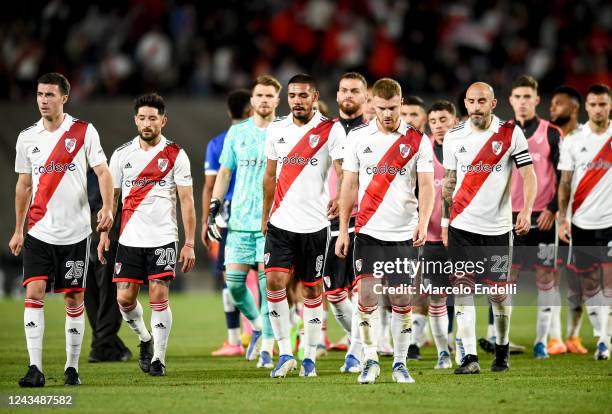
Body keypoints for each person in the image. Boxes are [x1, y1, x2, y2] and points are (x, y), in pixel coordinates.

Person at [11, 72, 114, 387]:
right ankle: (35, 368)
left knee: (72, 298)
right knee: (34, 292)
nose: (43, 100)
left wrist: (108, 207)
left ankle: (72, 368)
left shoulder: (83, 132)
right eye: (40, 94)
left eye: (50, 95)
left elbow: (104, 172)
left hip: (76, 233)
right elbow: (24, 186)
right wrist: (18, 229)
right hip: (39, 231)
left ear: (64, 98)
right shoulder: (27, 138)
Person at [336, 77, 435, 384]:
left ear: (401, 104)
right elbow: (349, 185)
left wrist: (423, 220)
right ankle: (369, 360)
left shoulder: (418, 140)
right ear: (372, 105)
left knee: (402, 301)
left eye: (393, 108)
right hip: (366, 231)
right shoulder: (357, 137)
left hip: (403, 233)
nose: (388, 114)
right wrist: (343, 230)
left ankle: (400, 363)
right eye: (382, 108)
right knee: (366, 297)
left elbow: (428, 185)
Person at [98, 93, 196, 376]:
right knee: (125, 300)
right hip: (129, 239)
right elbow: (112, 200)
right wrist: (105, 235)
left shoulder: (176, 154)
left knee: (158, 295)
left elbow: (187, 200)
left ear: (163, 121)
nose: (147, 123)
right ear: (135, 120)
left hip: (163, 237)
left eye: (153, 118)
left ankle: (159, 360)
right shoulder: (121, 155)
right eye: (142, 118)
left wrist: (189, 243)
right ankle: (145, 338)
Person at [442, 82, 537, 374]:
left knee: (497, 295)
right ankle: (469, 357)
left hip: (496, 229)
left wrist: (527, 210)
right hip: (462, 226)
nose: (476, 107)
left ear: (493, 104)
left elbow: (529, 175)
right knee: (463, 289)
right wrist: (446, 218)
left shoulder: (510, 133)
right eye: (471, 101)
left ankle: (502, 347)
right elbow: (449, 181)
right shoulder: (454, 136)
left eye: (482, 101)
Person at [262, 74, 342, 378]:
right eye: (293, 95)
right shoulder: (276, 129)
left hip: (315, 224)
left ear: (314, 96)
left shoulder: (329, 129)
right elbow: (270, 176)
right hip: (281, 221)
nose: (297, 100)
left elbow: (342, 170)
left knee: (311, 289)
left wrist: (339, 197)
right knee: (274, 282)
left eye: (303, 95)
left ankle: (309, 355)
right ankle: (284, 353)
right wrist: (264, 214)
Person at [207, 75, 282, 368]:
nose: (264, 100)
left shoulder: (285, 132)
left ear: (277, 100)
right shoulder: (237, 134)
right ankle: (260, 327)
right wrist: (214, 206)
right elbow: (224, 173)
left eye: (269, 95)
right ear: (252, 101)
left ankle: (266, 346)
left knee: (267, 288)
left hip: (272, 222)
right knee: (235, 285)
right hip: (238, 220)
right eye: (259, 95)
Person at [507, 75, 563, 359]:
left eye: (527, 97)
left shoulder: (551, 132)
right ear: (510, 100)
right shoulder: (502, 134)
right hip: (511, 217)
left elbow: (564, 175)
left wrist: (553, 209)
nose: (522, 102)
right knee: (508, 277)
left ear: (536, 100)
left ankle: (542, 340)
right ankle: (501, 339)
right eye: (517, 97)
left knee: (545, 278)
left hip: (543, 217)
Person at [557, 83, 611, 361]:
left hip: (610, 222)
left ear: (609, 105)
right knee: (589, 283)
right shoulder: (573, 140)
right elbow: (565, 183)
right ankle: (602, 338)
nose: (598, 109)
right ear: (586, 107)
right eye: (593, 104)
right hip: (581, 223)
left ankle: (604, 339)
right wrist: (563, 219)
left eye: (603, 104)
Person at [323, 72, 369, 373]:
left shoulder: (375, 132)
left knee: (362, 292)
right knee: (334, 293)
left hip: (367, 220)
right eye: (343, 90)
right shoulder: (324, 131)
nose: (348, 95)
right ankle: (364, 343)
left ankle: (356, 352)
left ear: (366, 97)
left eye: (354, 90)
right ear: (337, 96)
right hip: (330, 222)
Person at [202, 90, 252, 356]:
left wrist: (204, 220)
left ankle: (235, 339)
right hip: (258, 215)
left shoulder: (217, 143)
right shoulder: (262, 137)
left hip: (227, 217)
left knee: (229, 278)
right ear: (251, 110)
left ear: (228, 111)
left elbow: (210, 186)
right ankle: (271, 334)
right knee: (270, 279)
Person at [549, 85, 588, 354]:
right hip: (554, 218)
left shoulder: (590, 137)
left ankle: (573, 335)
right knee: (549, 276)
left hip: (584, 218)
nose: (553, 109)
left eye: (558, 104)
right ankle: (554, 338)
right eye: (551, 103)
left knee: (581, 281)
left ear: (574, 107)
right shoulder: (550, 138)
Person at [425, 100, 458, 369]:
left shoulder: (466, 149)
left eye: (443, 120)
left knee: (463, 292)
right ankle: (442, 352)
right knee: (436, 296)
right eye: (434, 121)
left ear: (455, 121)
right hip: (432, 237)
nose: (438, 126)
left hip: (463, 235)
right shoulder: (422, 150)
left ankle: (462, 344)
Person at [85, 169, 131, 363]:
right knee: (108, 293)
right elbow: (114, 204)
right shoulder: (106, 171)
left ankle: (106, 343)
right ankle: (103, 345)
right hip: (102, 232)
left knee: (90, 293)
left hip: (77, 233)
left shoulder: (78, 172)